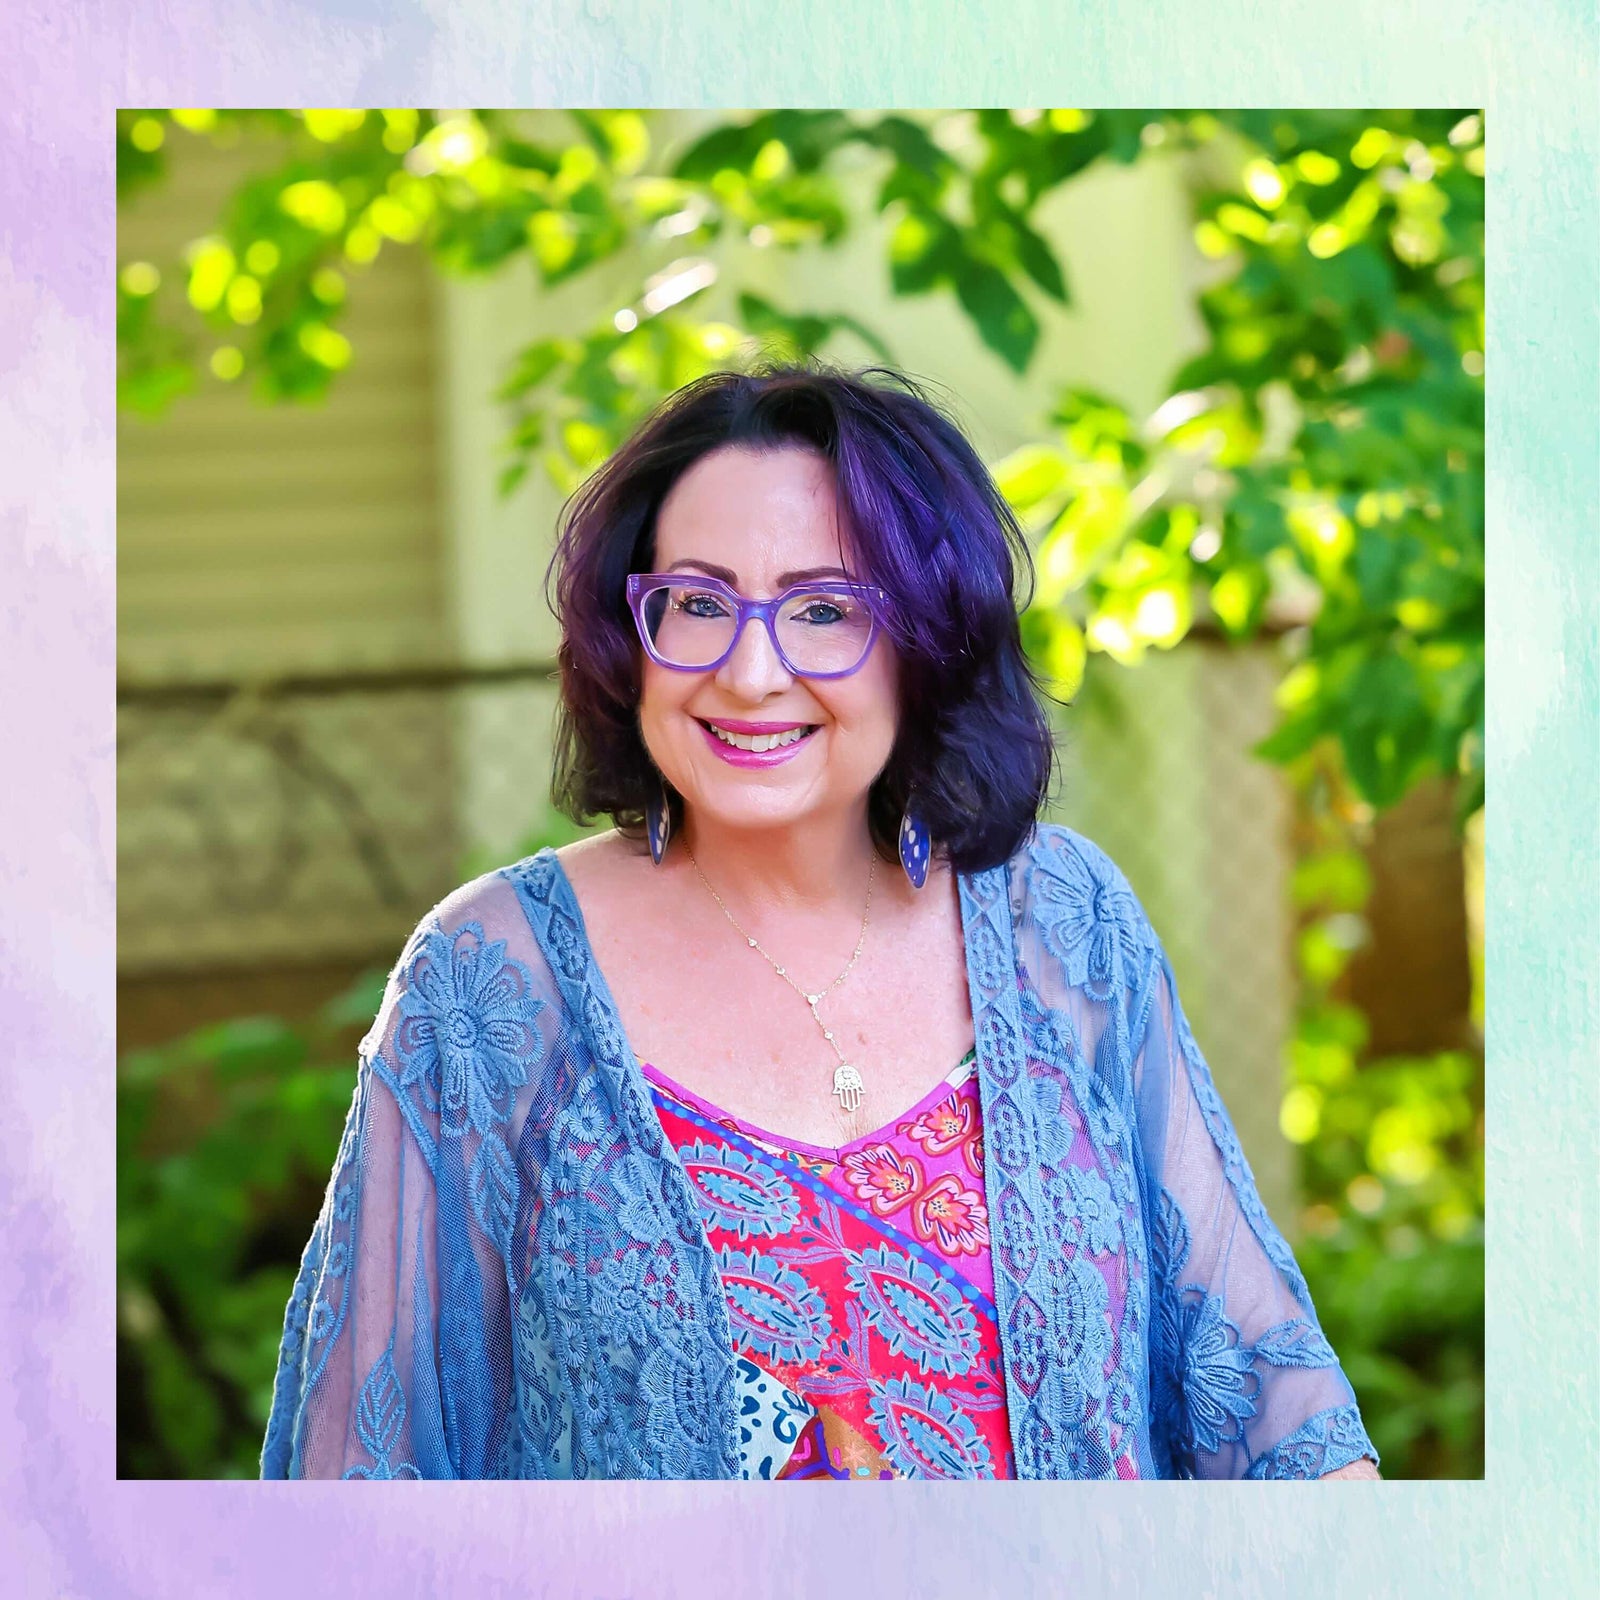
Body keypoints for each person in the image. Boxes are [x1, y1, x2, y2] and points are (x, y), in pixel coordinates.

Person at [260, 361, 1380, 1481]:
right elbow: (353, 1482)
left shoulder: (1062, 926)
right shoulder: (492, 978)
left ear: (925, 641)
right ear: (628, 633)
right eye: (696, 603)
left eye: (825, 609)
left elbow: (1268, 1398)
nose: (751, 672)